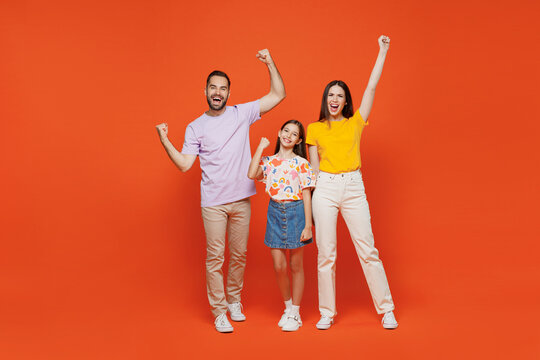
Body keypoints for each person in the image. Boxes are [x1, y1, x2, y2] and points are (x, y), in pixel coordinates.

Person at [155, 49, 285, 333]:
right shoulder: (195, 127)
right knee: (215, 257)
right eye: (213, 87)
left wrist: (270, 63)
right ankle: (218, 311)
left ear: (228, 93)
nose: (218, 92)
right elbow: (185, 166)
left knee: (239, 255)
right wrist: (165, 140)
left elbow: (278, 95)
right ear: (205, 91)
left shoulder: (242, 113)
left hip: (241, 200)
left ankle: (234, 301)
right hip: (213, 203)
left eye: (223, 88)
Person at [306, 35, 398, 330]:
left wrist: (382, 52)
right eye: (330, 95)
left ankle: (386, 309)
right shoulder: (314, 128)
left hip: (354, 186)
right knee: (326, 253)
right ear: (326, 99)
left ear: (346, 101)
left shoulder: (356, 122)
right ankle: (326, 312)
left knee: (367, 249)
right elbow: (314, 170)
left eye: (340, 95)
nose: (334, 99)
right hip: (326, 188)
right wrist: (315, 199)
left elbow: (371, 87)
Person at [247, 120, 316, 332]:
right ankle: (287, 308)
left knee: (296, 265)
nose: (288, 135)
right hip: (274, 212)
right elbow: (251, 174)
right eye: (286, 130)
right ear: (279, 133)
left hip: (296, 211)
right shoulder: (268, 161)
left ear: (298, 140)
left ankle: (295, 312)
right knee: (279, 265)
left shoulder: (302, 163)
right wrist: (260, 147)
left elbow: (306, 195)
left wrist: (308, 225)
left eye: (294, 134)